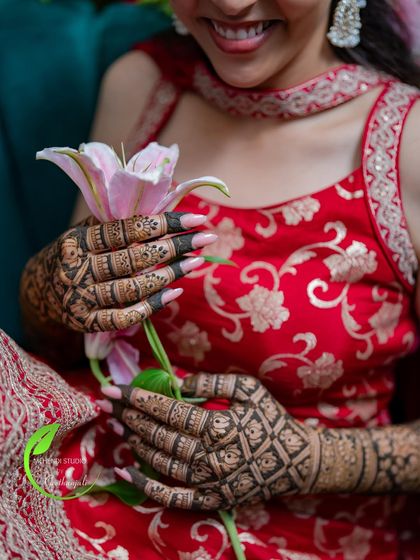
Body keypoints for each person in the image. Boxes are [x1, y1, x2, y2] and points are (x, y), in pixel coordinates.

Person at [2, 0, 420, 558]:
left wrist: (309, 458)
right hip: (82, 488)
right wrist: (51, 288)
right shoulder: (143, 84)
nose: (230, 3)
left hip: (301, 531)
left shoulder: (406, 144)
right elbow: (63, 341)